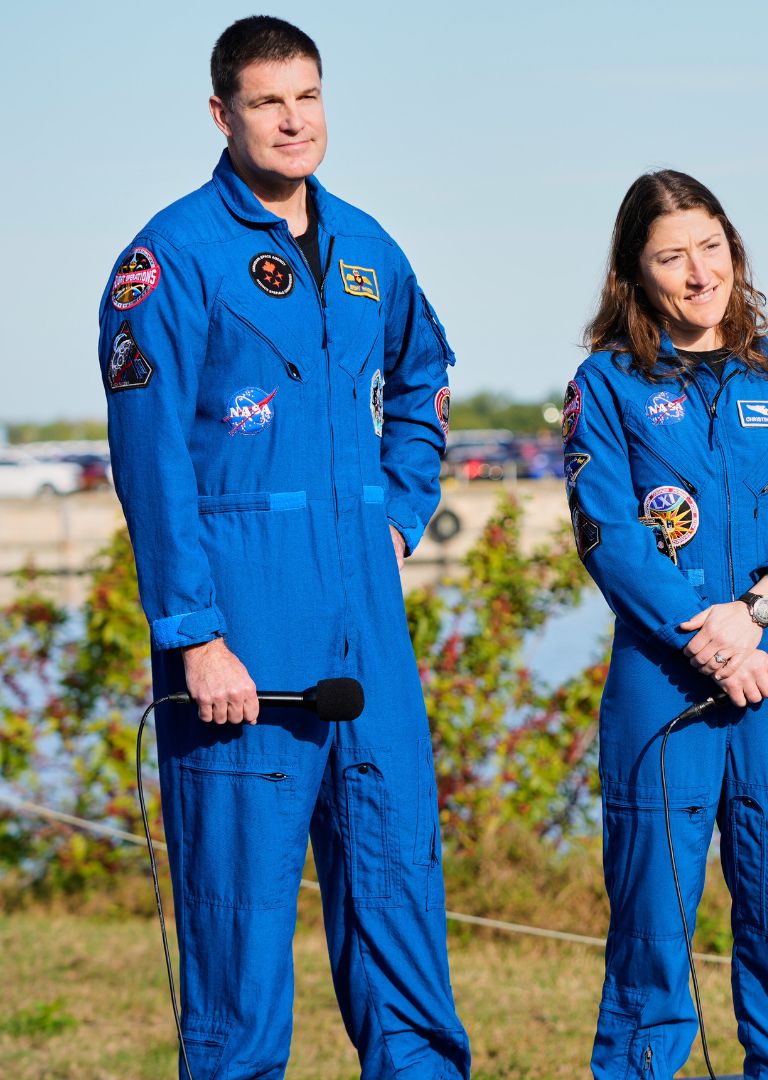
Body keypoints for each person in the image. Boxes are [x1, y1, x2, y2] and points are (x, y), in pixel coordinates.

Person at [97, 17, 469, 1078]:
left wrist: (400, 510)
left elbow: (425, 373)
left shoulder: (366, 247)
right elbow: (152, 465)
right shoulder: (170, 258)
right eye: (268, 100)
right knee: (240, 935)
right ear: (223, 114)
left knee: (400, 908)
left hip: (369, 640)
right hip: (244, 643)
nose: (293, 118)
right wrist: (195, 635)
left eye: (307, 96)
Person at [565, 170, 768, 1079]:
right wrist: (711, 641)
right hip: (664, 690)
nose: (698, 273)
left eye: (710, 247)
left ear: (734, 250)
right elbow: (609, 535)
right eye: (670, 256)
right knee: (653, 936)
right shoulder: (606, 386)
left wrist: (758, 612)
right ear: (635, 273)